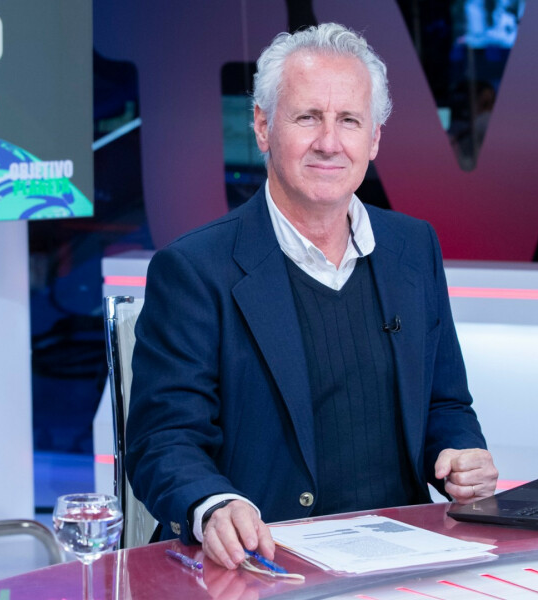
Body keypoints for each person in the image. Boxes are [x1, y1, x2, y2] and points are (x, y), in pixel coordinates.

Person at [125, 22, 498, 570]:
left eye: (349, 120)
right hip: (264, 561)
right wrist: (215, 504)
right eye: (307, 118)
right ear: (263, 126)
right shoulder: (193, 269)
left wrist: (460, 456)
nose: (329, 142)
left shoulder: (413, 247)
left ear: (374, 138)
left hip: (401, 555)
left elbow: (444, 404)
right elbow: (163, 440)